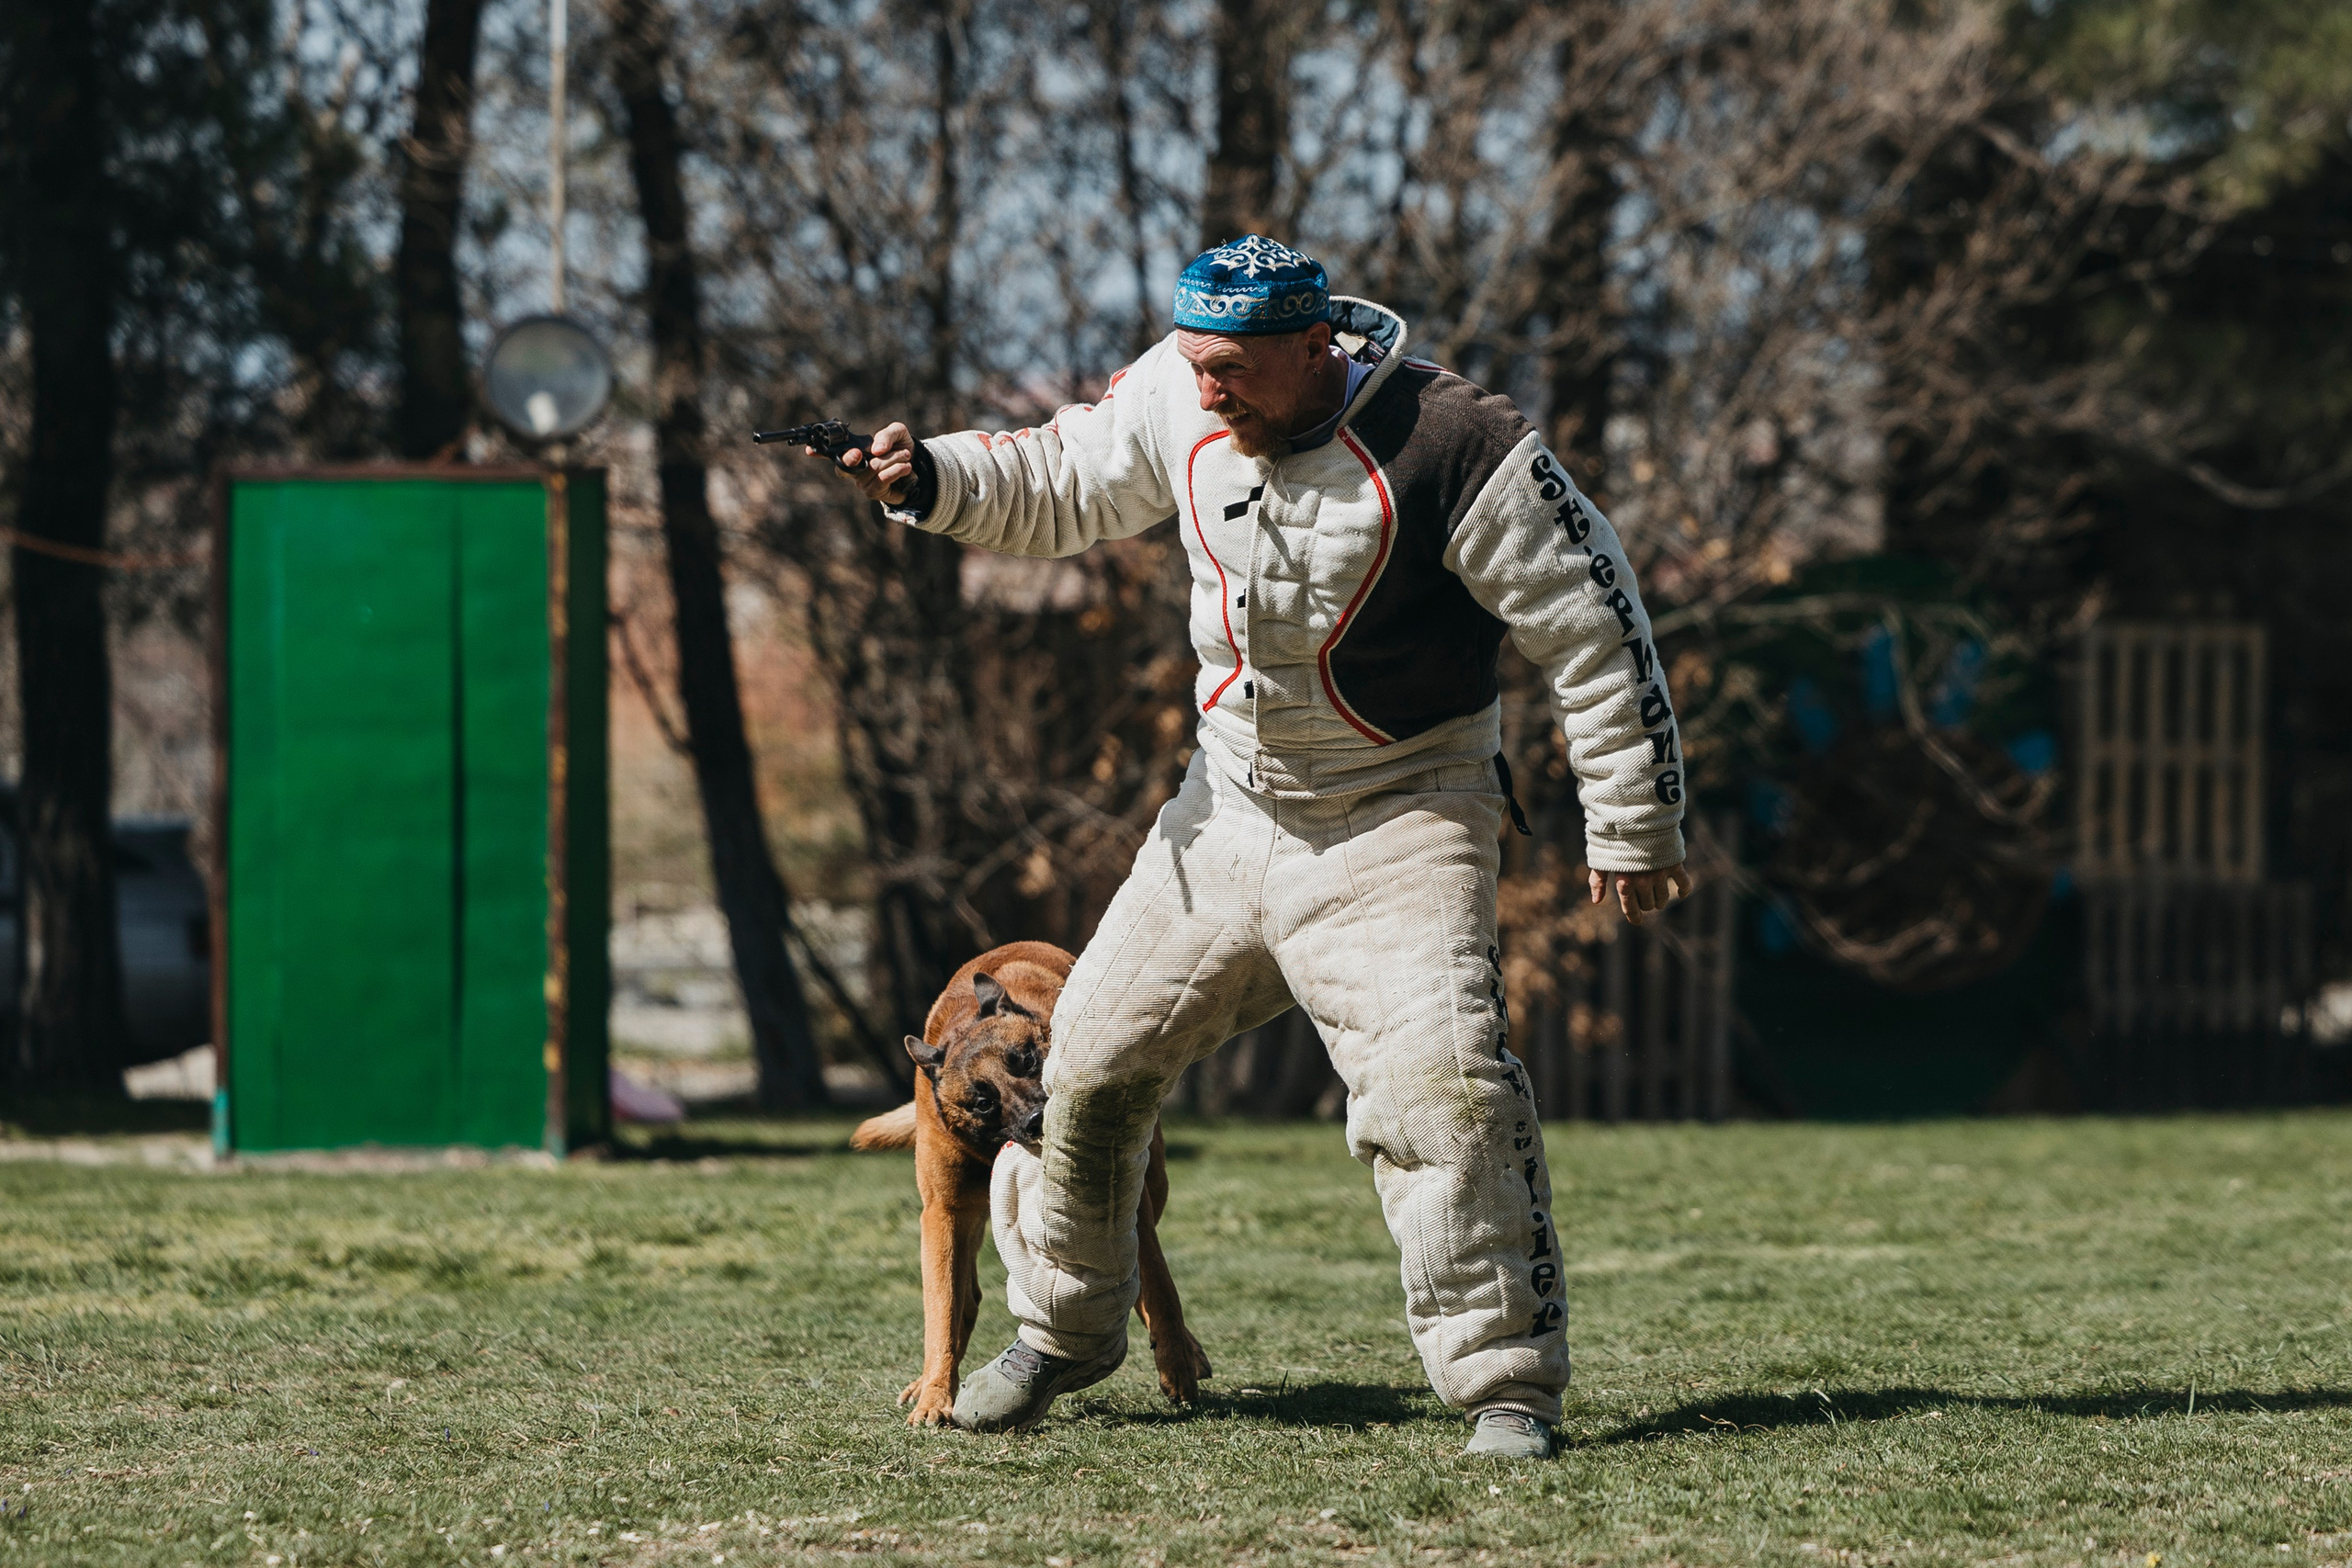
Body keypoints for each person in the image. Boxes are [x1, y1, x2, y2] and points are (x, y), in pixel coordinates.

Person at [823, 235, 1690, 1460]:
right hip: (1225, 813)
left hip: (1406, 813)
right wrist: (928, 477)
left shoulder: (1458, 445)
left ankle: (1505, 1389)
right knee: (1087, 1068)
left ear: (1313, 344)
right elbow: (1067, 473)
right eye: (1194, 366)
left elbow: (1595, 624)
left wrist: (1634, 818)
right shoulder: (1186, 390)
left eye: (1231, 369)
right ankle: (1062, 1333)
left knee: (1443, 1092)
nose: (1206, 390)